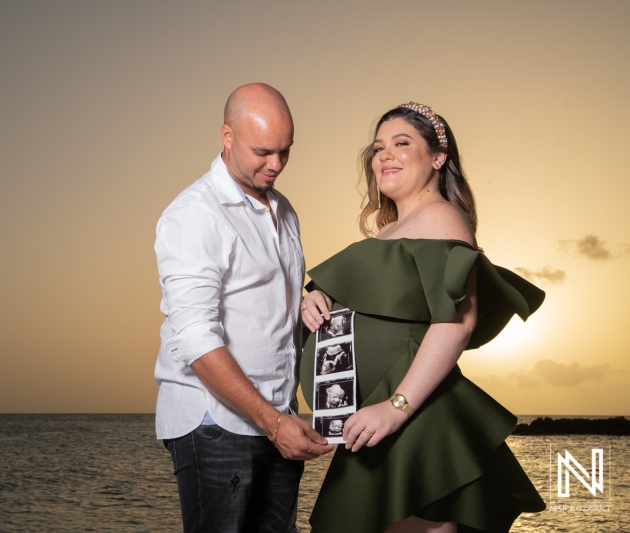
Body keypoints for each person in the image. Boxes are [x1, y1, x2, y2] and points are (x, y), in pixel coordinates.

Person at [300, 102, 546, 533]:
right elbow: (380, 298)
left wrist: (395, 409)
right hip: (379, 420)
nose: (384, 155)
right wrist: (318, 299)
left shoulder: (441, 218)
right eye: (378, 147)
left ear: (437, 157)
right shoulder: (392, 228)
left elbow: (456, 323)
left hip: (412, 417)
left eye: (401, 143)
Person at [154, 83, 333, 533]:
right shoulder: (195, 214)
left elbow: (268, 300)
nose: (276, 164)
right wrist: (274, 424)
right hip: (214, 423)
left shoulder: (285, 210)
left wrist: (306, 301)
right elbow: (195, 338)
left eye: (285, 151)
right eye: (263, 151)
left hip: (277, 417)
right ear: (227, 136)